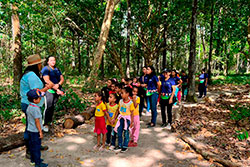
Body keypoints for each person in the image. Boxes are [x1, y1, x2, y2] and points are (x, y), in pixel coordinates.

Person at [20, 54, 51, 159]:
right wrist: (47, 88)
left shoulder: (29, 74)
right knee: (31, 128)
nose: (41, 65)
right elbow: (36, 93)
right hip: (30, 106)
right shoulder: (32, 76)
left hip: (32, 105)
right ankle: (29, 150)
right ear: (37, 65)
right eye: (40, 64)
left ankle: (36, 145)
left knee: (34, 126)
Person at [41, 56, 64, 132]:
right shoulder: (45, 69)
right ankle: (45, 124)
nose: (53, 62)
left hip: (56, 90)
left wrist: (59, 85)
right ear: (48, 61)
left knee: (53, 106)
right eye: (51, 60)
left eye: (54, 60)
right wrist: (56, 88)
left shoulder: (57, 69)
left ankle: (50, 122)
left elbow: (62, 78)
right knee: (48, 106)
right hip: (49, 90)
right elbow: (47, 80)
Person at [26, 89, 48, 167]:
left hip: (30, 130)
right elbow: (37, 121)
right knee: (36, 147)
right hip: (35, 131)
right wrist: (40, 132)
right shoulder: (36, 109)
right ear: (34, 100)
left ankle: (33, 160)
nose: (40, 99)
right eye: (39, 98)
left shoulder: (29, 106)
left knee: (32, 146)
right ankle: (38, 163)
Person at [114, 87, 134, 153]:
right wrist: (114, 118)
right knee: (119, 131)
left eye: (122, 93)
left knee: (126, 133)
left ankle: (125, 146)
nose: (121, 94)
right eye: (121, 93)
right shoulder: (120, 101)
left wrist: (131, 122)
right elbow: (118, 110)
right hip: (121, 119)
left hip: (127, 119)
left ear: (127, 94)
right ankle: (119, 145)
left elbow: (132, 113)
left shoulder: (130, 103)